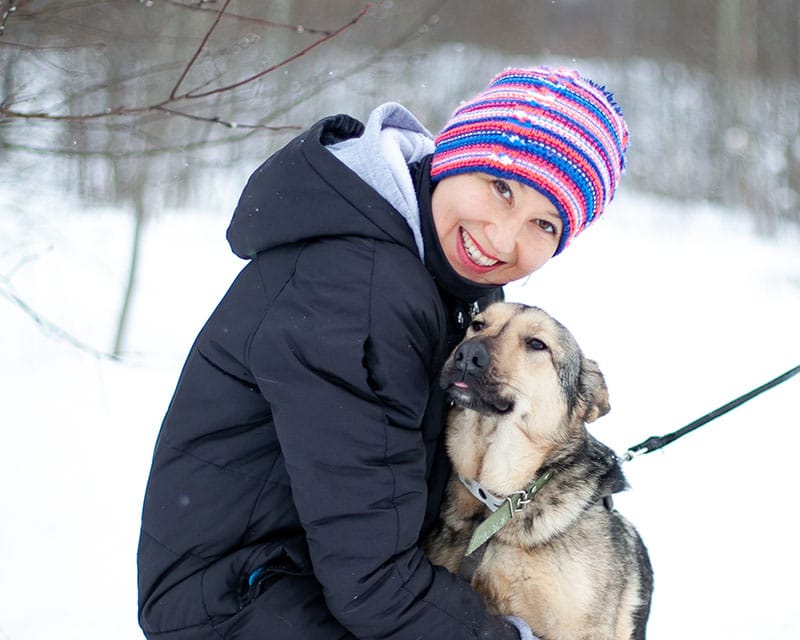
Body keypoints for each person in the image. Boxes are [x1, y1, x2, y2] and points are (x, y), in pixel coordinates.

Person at [136, 65, 629, 640]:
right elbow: (370, 585)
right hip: (244, 602)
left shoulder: (445, 271)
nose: (501, 239)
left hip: (304, 580)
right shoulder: (360, 286)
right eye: (501, 188)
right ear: (456, 154)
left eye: (544, 224)